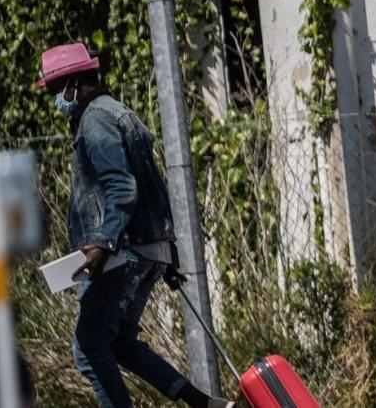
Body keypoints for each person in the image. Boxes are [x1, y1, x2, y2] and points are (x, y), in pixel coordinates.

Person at [37, 43, 231, 408]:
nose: (53, 99)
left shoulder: (95, 119)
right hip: (148, 247)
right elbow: (154, 188)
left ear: (74, 83)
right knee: (122, 343)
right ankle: (204, 404)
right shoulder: (122, 114)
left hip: (120, 252)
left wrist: (103, 243)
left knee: (89, 347)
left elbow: (123, 186)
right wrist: (168, 256)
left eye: (53, 90)